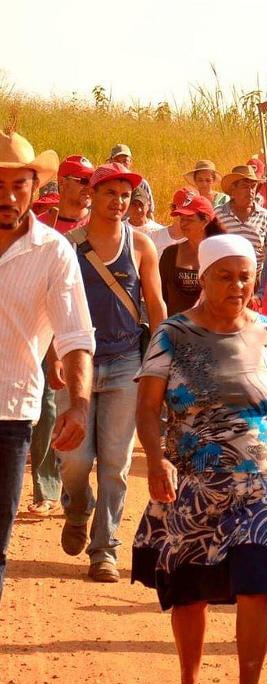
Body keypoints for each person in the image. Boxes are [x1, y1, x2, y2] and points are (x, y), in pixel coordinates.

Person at [131, 234, 267, 684]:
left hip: (264, 483)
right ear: (202, 277)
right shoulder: (172, 334)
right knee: (190, 590)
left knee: (260, 582)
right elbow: (147, 406)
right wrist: (156, 461)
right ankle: (189, 678)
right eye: (225, 277)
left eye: (244, 277)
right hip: (195, 485)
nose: (237, 286)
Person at [56, 162, 167, 583]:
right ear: (93, 195)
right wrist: (53, 356)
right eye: (111, 194)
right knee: (75, 461)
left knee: (115, 464)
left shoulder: (141, 246)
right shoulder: (67, 245)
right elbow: (54, 304)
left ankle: (105, 550)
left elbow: (155, 306)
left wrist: (163, 358)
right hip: (76, 364)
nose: (119, 202)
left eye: (126, 195)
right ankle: (77, 507)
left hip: (125, 365)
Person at [0, 131, 94, 600]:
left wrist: (78, 403)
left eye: (20, 184)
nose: (9, 195)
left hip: (10, 415)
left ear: (35, 189)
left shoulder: (54, 251)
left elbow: (75, 334)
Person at [27, 155, 95, 516]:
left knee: (86, 411)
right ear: (63, 182)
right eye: (80, 180)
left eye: (90, 181)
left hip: (90, 331)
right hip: (47, 329)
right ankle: (46, 487)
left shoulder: (97, 226)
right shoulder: (42, 226)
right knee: (48, 407)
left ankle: (78, 489)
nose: (87, 188)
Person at [215, 164, 267, 306]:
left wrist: (262, 291)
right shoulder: (218, 215)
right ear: (233, 189)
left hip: (254, 285)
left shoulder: (264, 217)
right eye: (245, 186)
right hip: (224, 282)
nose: (250, 191)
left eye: (253, 186)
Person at [160, 188, 226, 315]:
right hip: (176, 331)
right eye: (182, 219)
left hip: (212, 331)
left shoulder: (223, 256)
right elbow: (161, 297)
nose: (183, 224)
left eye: (189, 219)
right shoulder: (170, 254)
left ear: (205, 221)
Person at [109, 143, 156, 218]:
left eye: (125, 161)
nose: (121, 164)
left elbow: (149, 212)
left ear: (130, 162)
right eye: (117, 161)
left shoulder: (141, 183)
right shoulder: (105, 183)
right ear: (110, 162)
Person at [51, 154, 93, 234]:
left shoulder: (100, 224)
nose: (90, 188)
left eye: (93, 182)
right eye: (84, 181)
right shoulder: (38, 225)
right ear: (62, 182)